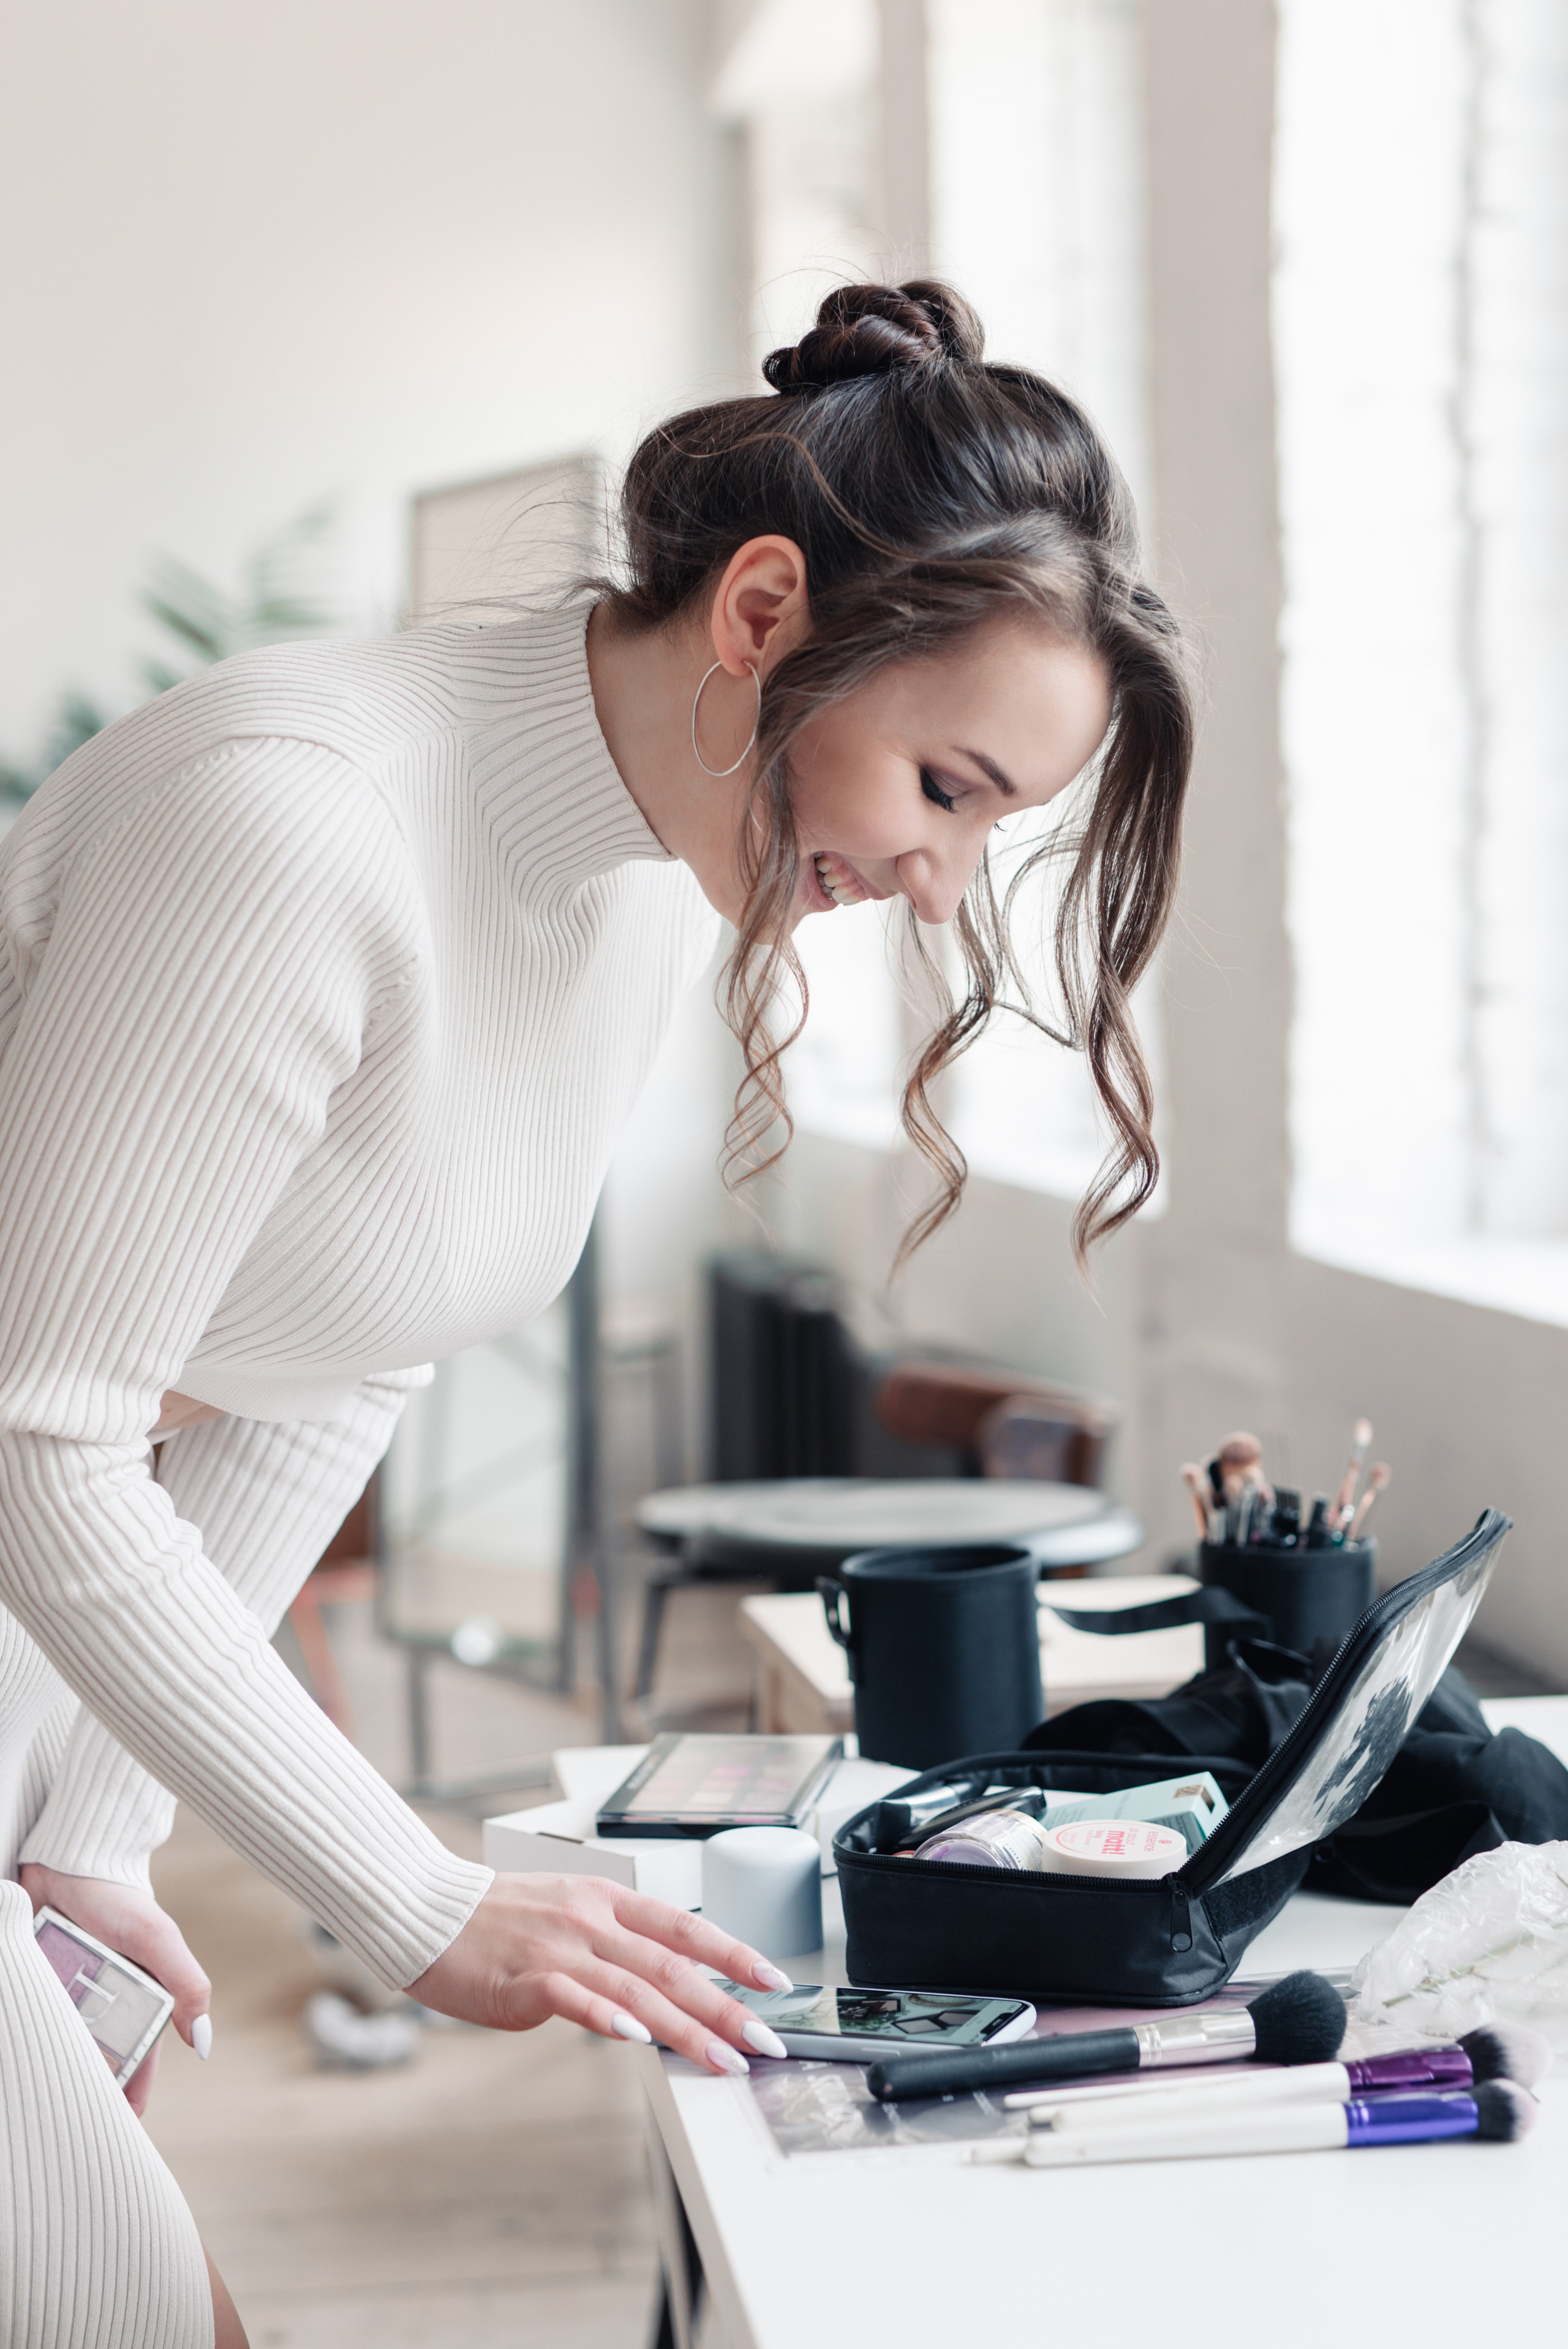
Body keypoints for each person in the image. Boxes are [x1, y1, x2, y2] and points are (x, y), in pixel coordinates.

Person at [0, 279, 1193, 2348]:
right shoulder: (292, 816)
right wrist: (417, 1895)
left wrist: (93, 1833)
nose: (940, 881)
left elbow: (343, 1345)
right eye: (948, 782)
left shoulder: (647, 882)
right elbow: (37, 1429)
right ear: (759, 616)